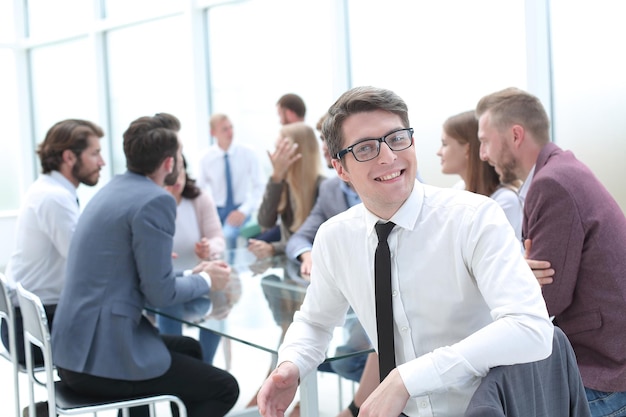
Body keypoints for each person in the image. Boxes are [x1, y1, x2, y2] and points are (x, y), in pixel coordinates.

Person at [257, 86, 553, 417]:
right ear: (340, 168)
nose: (388, 156)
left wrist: (408, 379)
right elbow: (315, 322)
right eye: (366, 148)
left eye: (397, 138)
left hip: (486, 409)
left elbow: (531, 328)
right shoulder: (334, 237)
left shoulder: (473, 217)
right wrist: (291, 362)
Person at [51, 113, 239, 417]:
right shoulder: (155, 200)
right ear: (168, 163)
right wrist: (206, 282)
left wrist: (193, 273)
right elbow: (159, 294)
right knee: (223, 387)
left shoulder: (111, 190)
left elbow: (139, 276)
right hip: (102, 360)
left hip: (73, 351)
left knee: (191, 350)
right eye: (178, 154)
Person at [476, 87, 626, 417]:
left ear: (515, 135)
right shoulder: (563, 169)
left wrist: (515, 272)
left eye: (485, 141)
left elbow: (544, 300)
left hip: (602, 371)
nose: (483, 155)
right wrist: (520, 268)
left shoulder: (551, 183)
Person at [2, 119, 105, 367]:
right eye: (95, 153)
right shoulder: (55, 199)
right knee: (130, 344)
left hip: (28, 324)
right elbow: (85, 265)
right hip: (36, 330)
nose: (102, 162)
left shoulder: (47, 190)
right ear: (69, 157)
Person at [156, 155, 232, 365]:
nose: (177, 180)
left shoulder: (199, 199)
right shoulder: (154, 203)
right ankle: (176, 364)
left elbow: (219, 239)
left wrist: (209, 247)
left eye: (180, 171)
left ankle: (204, 364)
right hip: (166, 286)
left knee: (220, 297)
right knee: (168, 302)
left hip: (197, 283)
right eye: (171, 176)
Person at [436, 110, 522, 240]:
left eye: (444, 144)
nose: (439, 152)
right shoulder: (458, 190)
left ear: (467, 149)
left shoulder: (505, 200)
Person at [197, 113, 265, 255]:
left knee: (228, 235)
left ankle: (233, 272)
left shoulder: (247, 153)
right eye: (224, 129)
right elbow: (200, 189)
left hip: (240, 208)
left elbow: (259, 186)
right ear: (213, 133)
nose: (230, 132)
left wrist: (244, 210)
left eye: (231, 127)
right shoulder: (205, 158)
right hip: (216, 210)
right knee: (204, 239)